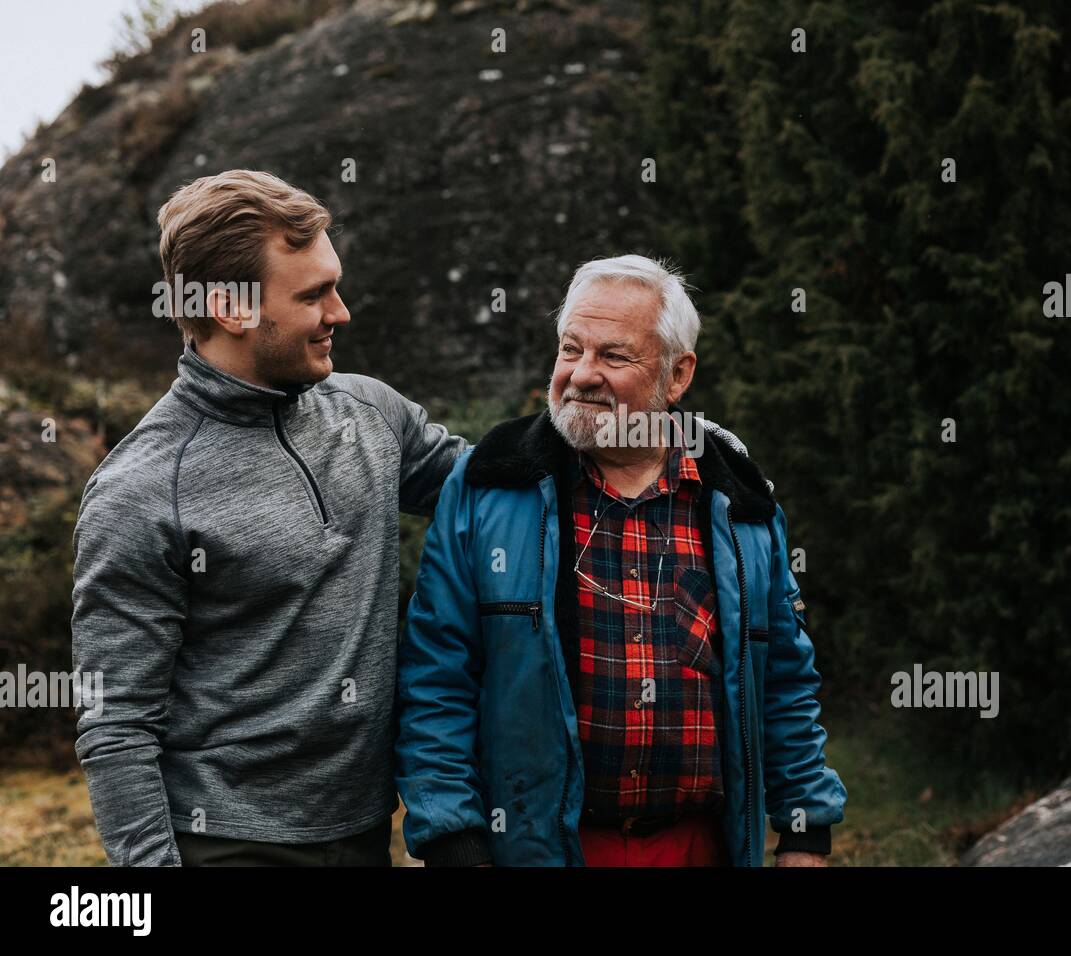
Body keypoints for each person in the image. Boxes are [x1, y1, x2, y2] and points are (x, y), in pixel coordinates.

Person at [396, 254, 847, 866]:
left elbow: (784, 683)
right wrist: (453, 839)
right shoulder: (489, 487)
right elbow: (436, 678)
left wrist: (805, 833)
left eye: (613, 356)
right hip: (541, 847)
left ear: (678, 373)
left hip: (698, 847)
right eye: (570, 349)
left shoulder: (740, 499)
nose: (581, 375)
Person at [71, 170, 465, 866]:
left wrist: (665, 440)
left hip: (368, 829)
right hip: (225, 843)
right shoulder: (139, 489)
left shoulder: (373, 413)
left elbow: (498, 483)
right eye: (314, 295)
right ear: (231, 307)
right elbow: (117, 724)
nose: (340, 312)